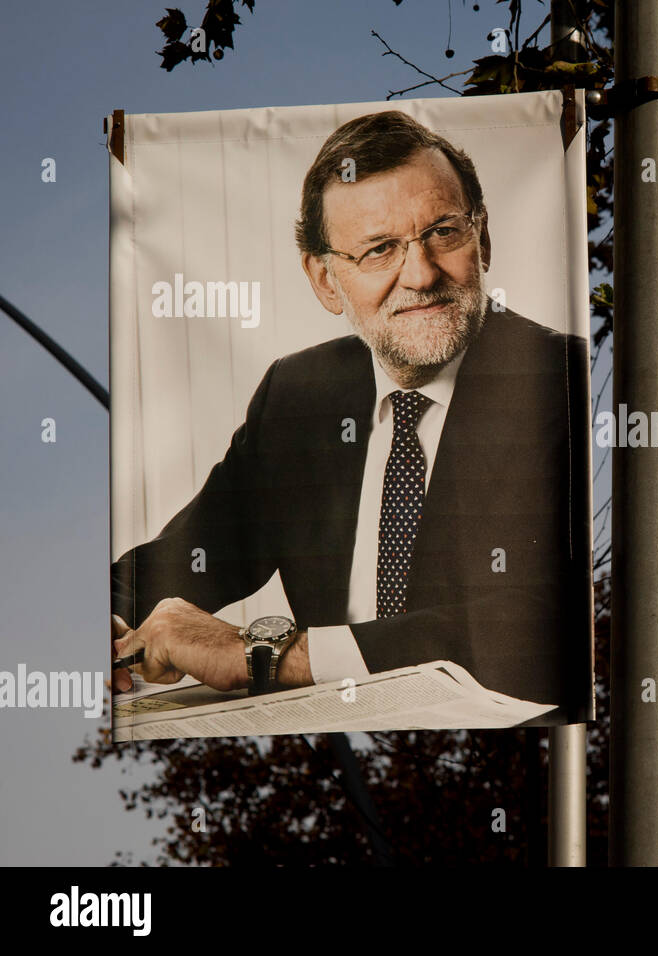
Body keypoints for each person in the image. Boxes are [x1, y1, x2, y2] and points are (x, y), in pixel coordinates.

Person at [110, 110, 591, 717]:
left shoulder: (563, 384)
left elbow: (538, 625)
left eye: (443, 232)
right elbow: (198, 552)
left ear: (483, 238)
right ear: (325, 280)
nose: (419, 274)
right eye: (378, 250)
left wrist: (266, 655)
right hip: (336, 765)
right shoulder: (299, 394)